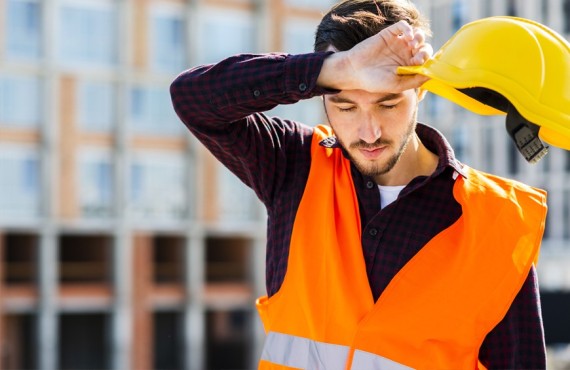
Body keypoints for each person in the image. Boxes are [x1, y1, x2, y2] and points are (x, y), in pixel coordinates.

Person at [170, 0, 548, 368]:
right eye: (346, 106)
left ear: (421, 89)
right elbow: (192, 98)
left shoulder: (497, 223)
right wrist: (340, 68)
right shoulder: (294, 165)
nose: (369, 133)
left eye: (388, 104)